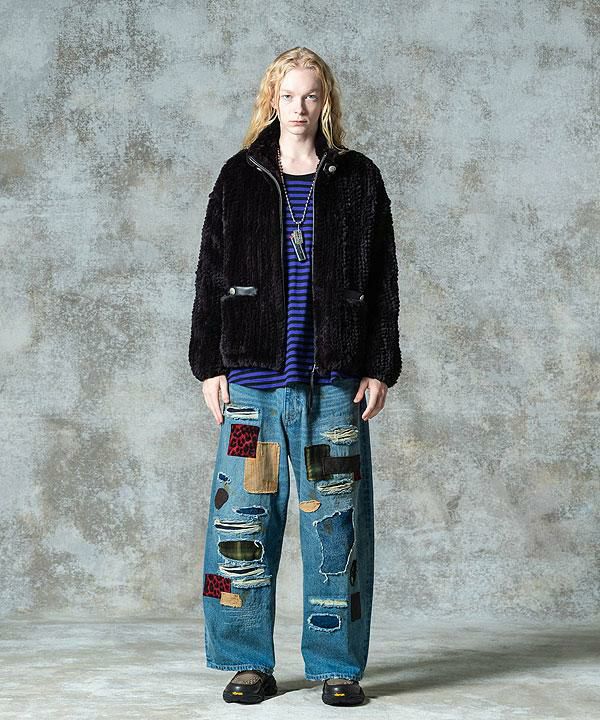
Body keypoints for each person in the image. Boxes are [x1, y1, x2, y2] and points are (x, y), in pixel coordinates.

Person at [188, 46, 401, 706]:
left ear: (325, 100)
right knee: (239, 526)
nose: (299, 107)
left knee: (337, 529)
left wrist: (379, 366)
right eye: (288, 96)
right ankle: (246, 660)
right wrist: (208, 365)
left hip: (333, 386)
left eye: (310, 95)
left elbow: (383, 278)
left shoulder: (359, 179)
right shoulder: (239, 177)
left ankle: (338, 666)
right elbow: (210, 273)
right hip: (253, 385)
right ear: (271, 101)